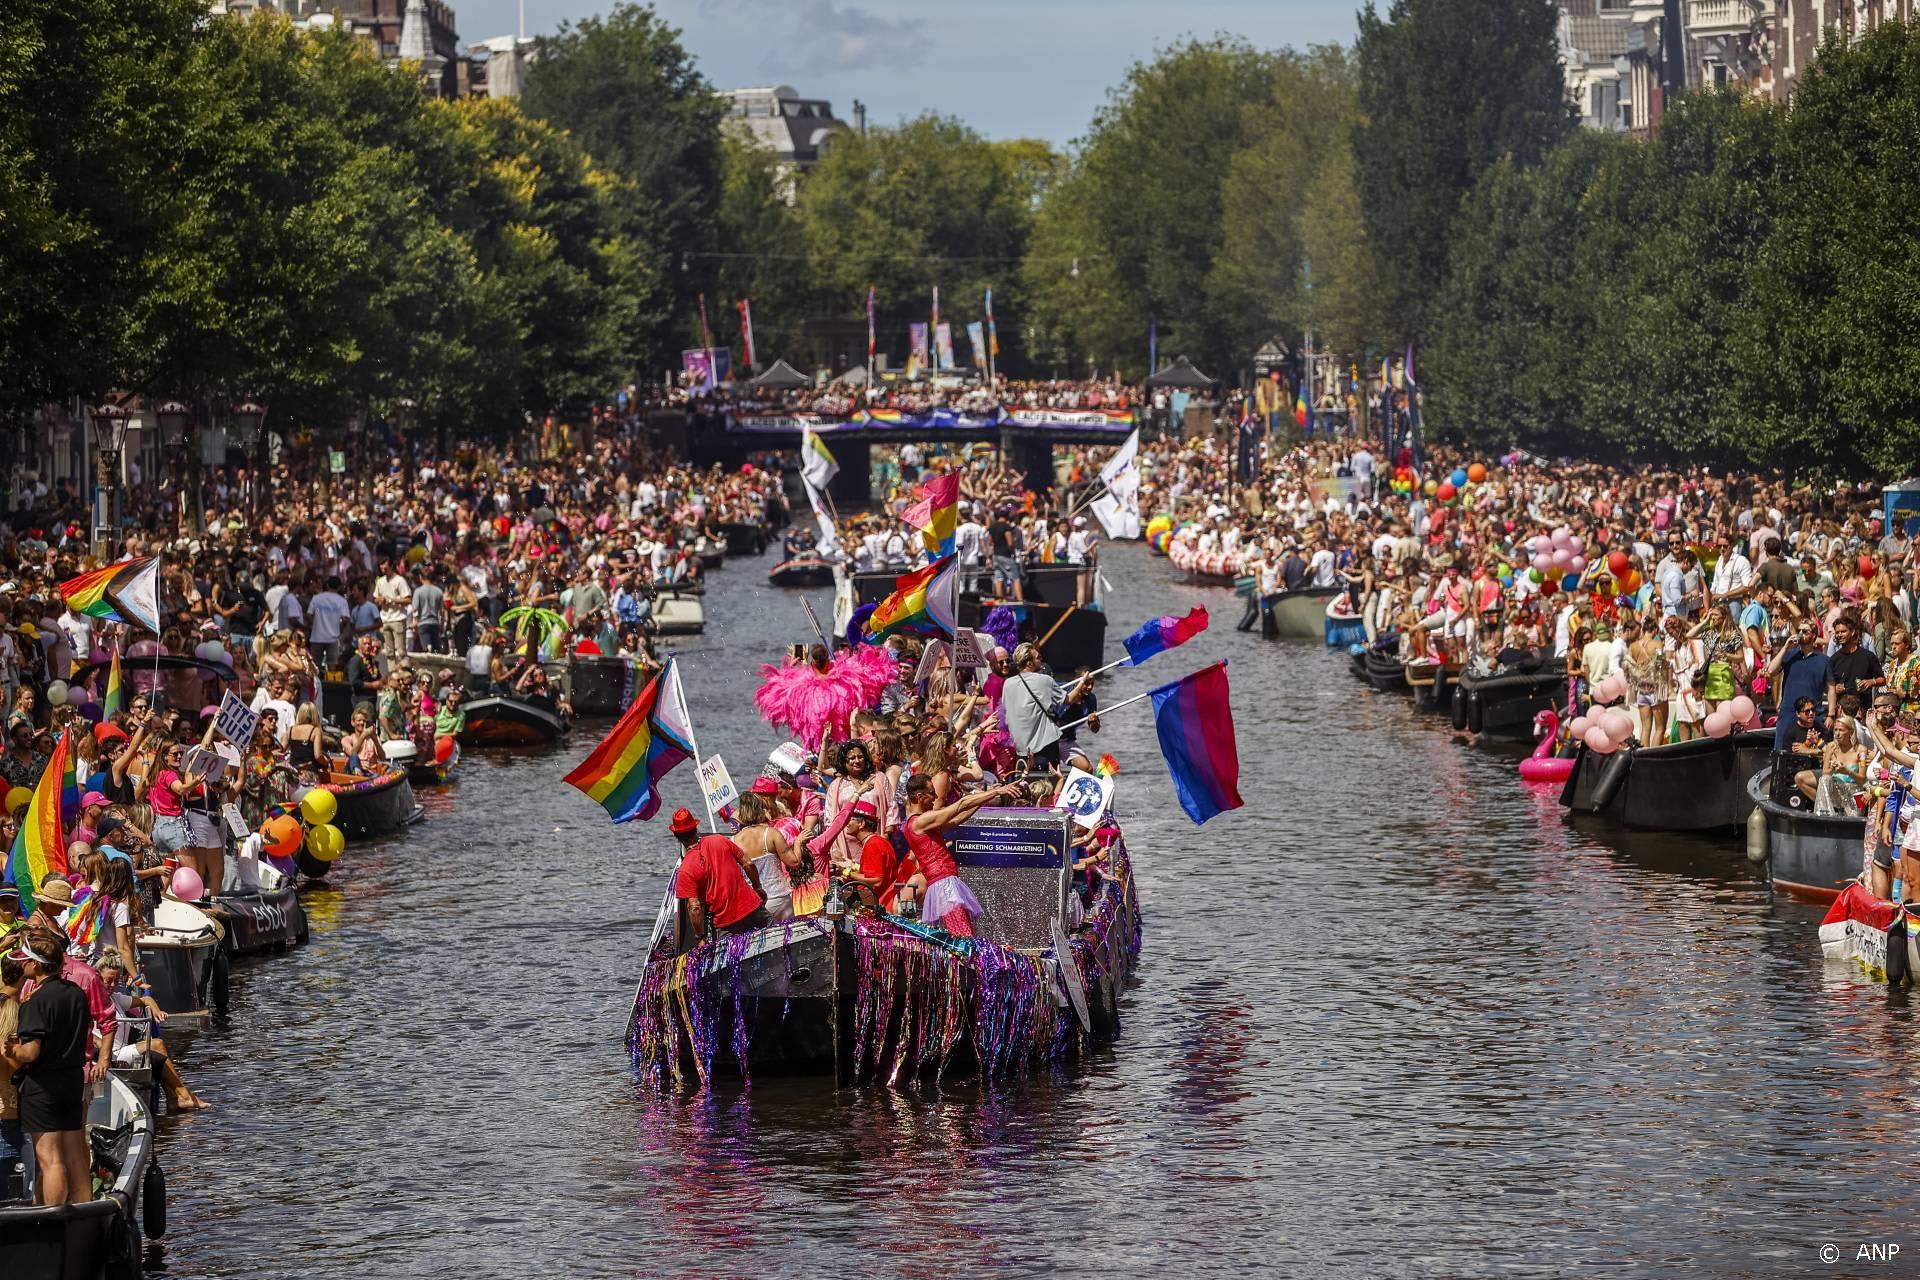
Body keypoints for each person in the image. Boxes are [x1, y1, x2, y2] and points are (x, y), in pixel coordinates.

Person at [2, 929, 93, 1205]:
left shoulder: (36, 1001)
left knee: (50, 1159)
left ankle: (51, 1221)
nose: (22, 965)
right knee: (75, 1155)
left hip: (44, 1087)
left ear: (37, 964)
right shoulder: (76, 993)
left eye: (25, 960)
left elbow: (30, 1053)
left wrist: (12, 1049)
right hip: (73, 1080)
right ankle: (84, 1211)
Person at [896, 777, 1023, 937]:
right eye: (932, 793)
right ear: (920, 796)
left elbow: (956, 820)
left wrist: (984, 799)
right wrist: (995, 791)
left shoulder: (921, 823)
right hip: (944, 884)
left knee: (962, 936)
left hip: (944, 882)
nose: (935, 798)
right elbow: (961, 804)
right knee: (964, 938)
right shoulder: (920, 821)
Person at [669, 808, 766, 941]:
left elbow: (694, 907)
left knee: (731, 959)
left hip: (726, 924)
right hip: (753, 909)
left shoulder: (685, 870)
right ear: (696, 829)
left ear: (677, 837)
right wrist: (757, 886)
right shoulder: (720, 840)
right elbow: (748, 864)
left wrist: (700, 937)